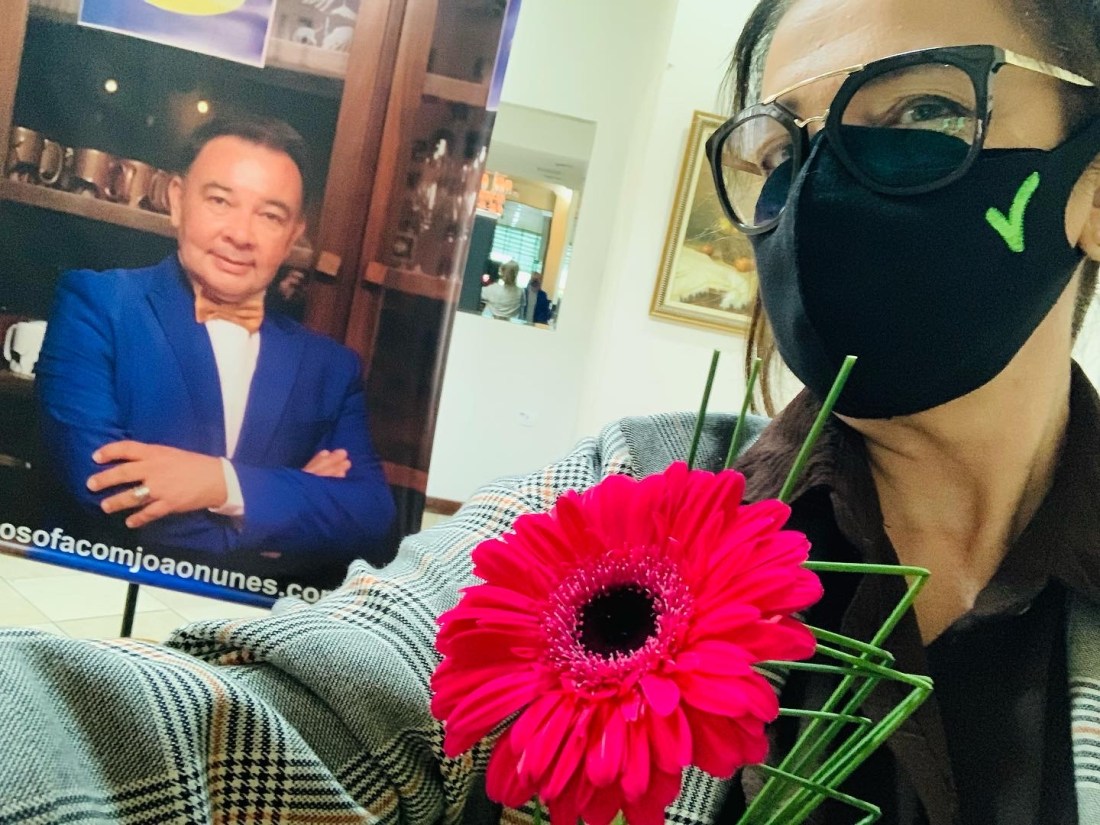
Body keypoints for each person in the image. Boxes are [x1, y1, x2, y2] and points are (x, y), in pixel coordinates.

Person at [4, 1, 1100, 823]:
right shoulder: (629, 491)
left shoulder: (317, 365)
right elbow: (309, 707)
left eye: (921, 111)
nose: (817, 190)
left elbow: (349, 510)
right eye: (778, 151)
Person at [34, 116, 396, 584]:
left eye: (270, 215)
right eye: (221, 201)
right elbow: (104, 493)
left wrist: (220, 483)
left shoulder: (331, 368)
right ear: (177, 200)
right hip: (96, 605)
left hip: (251, 624)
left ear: (294, 234)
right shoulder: (98, 306)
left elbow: (372, 522)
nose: (241, 234)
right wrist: (282, 521)